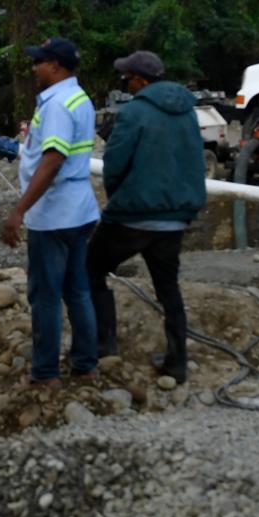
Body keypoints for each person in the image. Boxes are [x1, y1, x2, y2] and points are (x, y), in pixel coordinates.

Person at [88, 50, 207, 384]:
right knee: (168, 286)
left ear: (140, 80)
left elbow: (114, 166)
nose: (125, 82)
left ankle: (104, 345)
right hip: (174, 218)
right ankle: (177, 362)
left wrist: (120, 199)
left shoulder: (134, 113)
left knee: (92, 269)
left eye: (127, 76)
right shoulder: (187, 112)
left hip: (133, 215)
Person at [1, 37, 101, 385]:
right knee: (78, 290)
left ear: (55, 66)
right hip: (80, 211)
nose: (33, 68)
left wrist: (19, 210)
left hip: (54, 214)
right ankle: (86, 363)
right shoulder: (80, 98)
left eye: (39, 62)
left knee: (45, 295)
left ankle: (45, 372)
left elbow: (53, 158)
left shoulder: (57, 105)